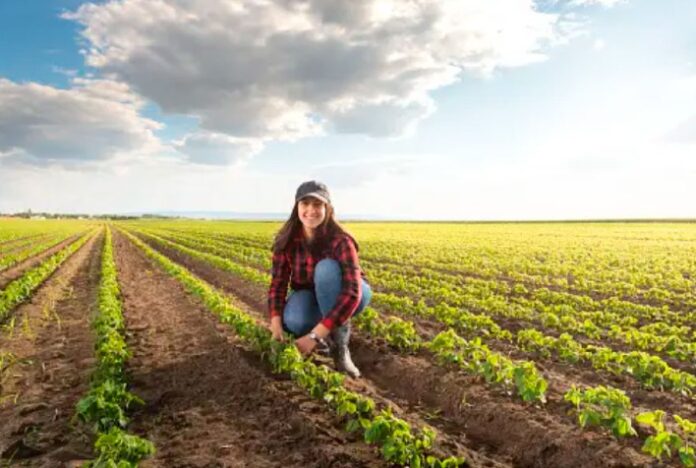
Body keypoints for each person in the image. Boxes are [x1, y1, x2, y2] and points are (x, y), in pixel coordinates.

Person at [268, 180, 372, 378]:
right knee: (294, 320)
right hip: (311, 293)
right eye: (305, 203)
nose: (311, 210)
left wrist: (314, 337)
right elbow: (277, 284)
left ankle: (340, 348)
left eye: (317, 204)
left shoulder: (341, 239)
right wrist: (275, 327)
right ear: (296, 207)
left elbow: (352, 291)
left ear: (327, 209)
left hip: (350, 293)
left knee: (325, 269)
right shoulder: (286, 240)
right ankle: (323, 334)